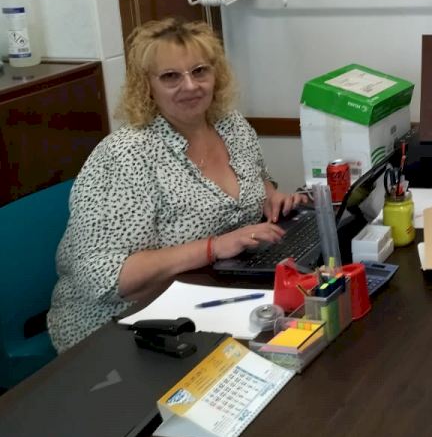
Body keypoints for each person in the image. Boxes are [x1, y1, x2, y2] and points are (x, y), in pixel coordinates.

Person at [48, 18, 306, 352]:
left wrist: (270, 197)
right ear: (147, 86)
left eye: (199, 71)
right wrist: (213, 247)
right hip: (119, 327)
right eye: (171, 76)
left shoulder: (230, 124)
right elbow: (103, 278)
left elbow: (259, 179)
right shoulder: (127, 154)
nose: (190, 85)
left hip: (210, 297)